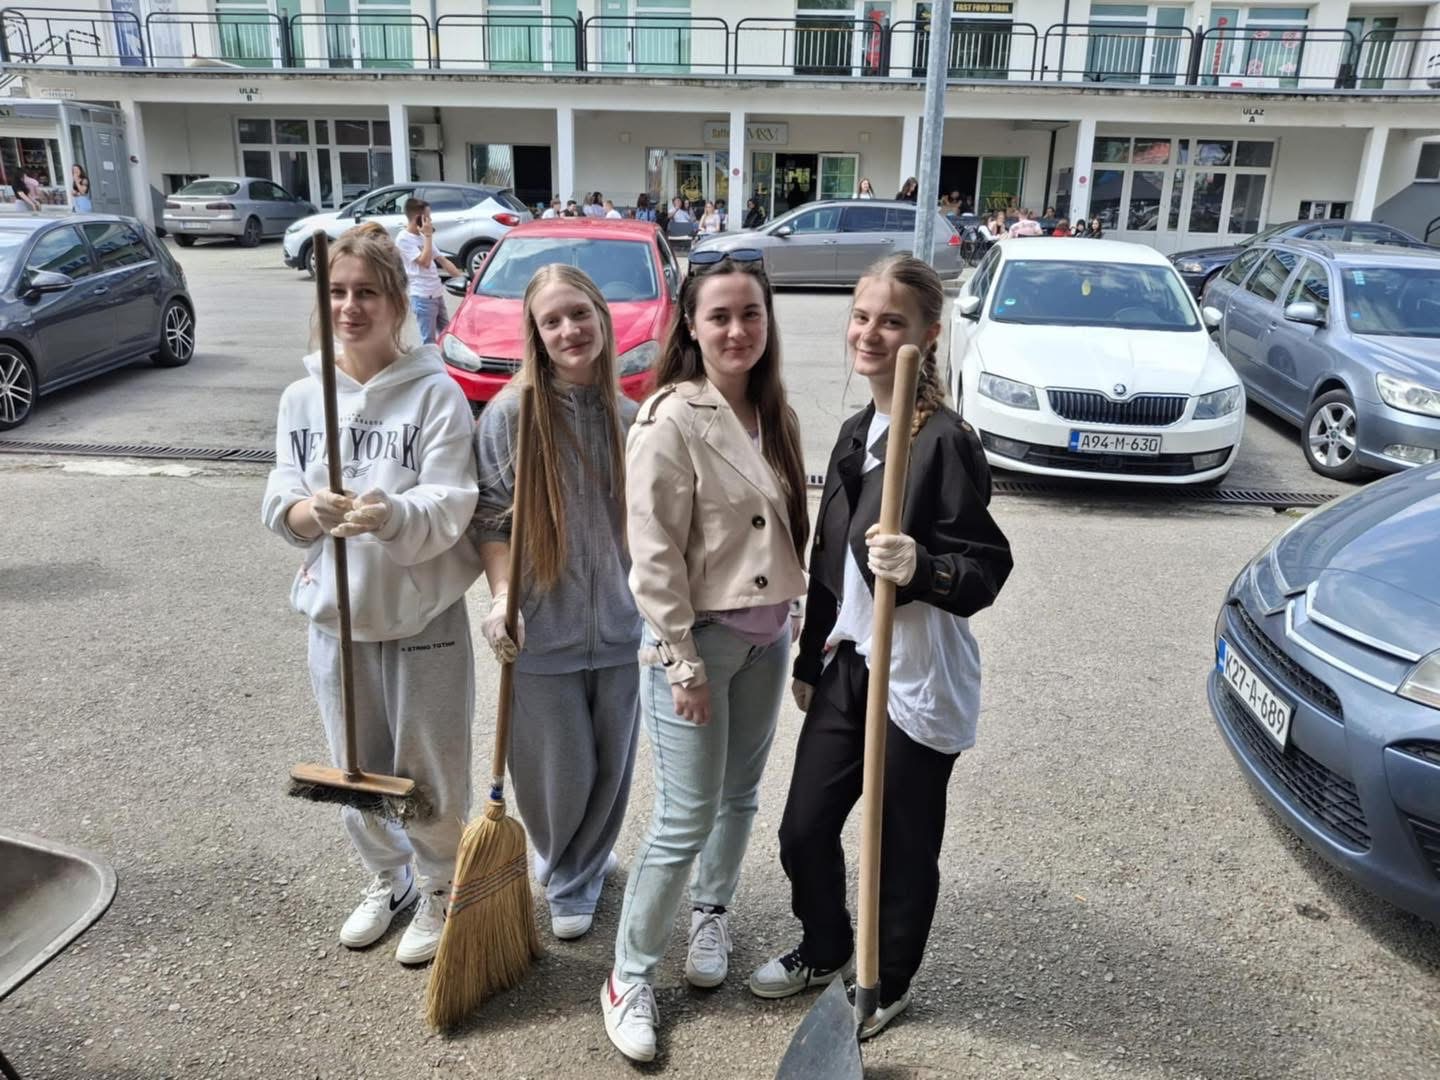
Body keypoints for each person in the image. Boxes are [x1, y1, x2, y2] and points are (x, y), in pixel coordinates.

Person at [749, 254, 1012, 1038]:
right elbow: (828, 560)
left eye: (891, 321)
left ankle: (885, 980)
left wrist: (925, 568)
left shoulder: (945, 443)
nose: (869, 333)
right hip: (850, 663)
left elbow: (986, 566)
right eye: (862, 316)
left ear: (927, 336)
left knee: (901, 843)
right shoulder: (858, 432)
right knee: (804, 828)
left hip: (915, 671)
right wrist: (809, 660)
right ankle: (828, 945)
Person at [602, 251, 810, 1064]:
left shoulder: (774, 410)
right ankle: (628, 976)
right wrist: (682, 661)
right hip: (699, 645)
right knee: (684, 817)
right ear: (690, 325)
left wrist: (801, 618)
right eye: (718, 315)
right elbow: (652, 553)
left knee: (739, 797)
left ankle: (710, 913)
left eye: (750, 312)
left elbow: (785, 532)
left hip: (767, 639)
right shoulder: (670, 418)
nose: (736, 329)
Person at [261, 227, 482, 967]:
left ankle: (441, 883)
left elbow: (454, 500)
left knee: (430, 764)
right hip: (337, 616)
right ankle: (390, 877)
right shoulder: (303, 397)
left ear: (397, 302)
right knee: (353, 762)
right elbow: (280, 495)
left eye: (367, 293)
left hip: (422, 616)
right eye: (337, 292)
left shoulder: (436, 393)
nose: (350, 307)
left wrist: (392, 514)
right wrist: (306, 512)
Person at [472, 264, 642, 941]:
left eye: (579, 313)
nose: (570, 329)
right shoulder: (510, 417)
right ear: (536, 336)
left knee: (611, 767)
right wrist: (503, 596)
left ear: (601, 317)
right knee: (558, 770)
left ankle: (583, 865)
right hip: (542, 629)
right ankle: (567, 867)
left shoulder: (631, 418)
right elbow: (491, 519)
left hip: (620, 630)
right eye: (552, 321)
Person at [395, 198, 463, 346]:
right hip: (423, 297)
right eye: (428, 217)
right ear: (418, 219)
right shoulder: (403, 239)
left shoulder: (422, 237)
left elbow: (442, 260)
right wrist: (428, 236)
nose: (431, 221)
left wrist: (465, 282)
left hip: (436, 293)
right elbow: (425, 262)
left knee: (447, 335)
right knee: (429, 341)